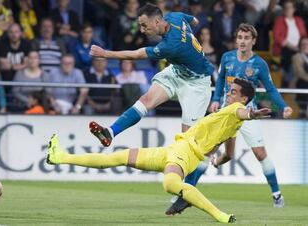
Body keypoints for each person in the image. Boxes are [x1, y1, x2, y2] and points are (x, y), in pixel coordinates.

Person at [46, 78, 272, 224]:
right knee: (116, 158)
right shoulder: (231, 122)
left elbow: (243, 113)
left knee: (169, 184)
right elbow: (229, 154)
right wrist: (217, 161)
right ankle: (61, 156)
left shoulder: (237, 109)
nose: (228, 94)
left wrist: (252, 114)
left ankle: (220, 215)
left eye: (233, 92)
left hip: (186, 153)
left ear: (243, 98)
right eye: (230, 91)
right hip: (175, 149)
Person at [167, 23, 293, 215]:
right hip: (226, 113)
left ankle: (276, 194)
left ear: (253, 41)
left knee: (260, 154)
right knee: (205, 151)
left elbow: (270, 89)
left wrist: (283, 107)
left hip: (248, 113)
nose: (242, 41)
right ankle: (183, 192)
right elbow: (219, 83)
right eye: (239, 38)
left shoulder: (259, 64)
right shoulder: (227, 58)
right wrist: (216, 99)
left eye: (246, 38)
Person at [89, 3, 213, 147]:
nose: (142, 30)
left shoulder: (170, 46)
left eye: (144, 25)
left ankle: (200, 165)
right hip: (177, 71)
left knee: (186, 140)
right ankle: (110, 132)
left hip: (197, 85)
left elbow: (137, 54)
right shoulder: (175, 16)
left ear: (157, 21)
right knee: (146, 100)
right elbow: (194, 20)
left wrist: (105, 54)